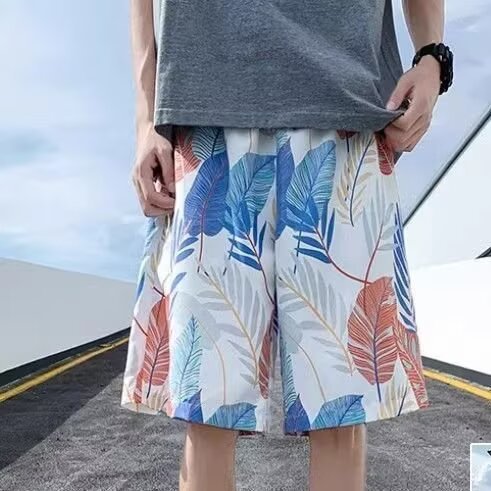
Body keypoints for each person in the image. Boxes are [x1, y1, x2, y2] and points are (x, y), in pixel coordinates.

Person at [121, 1, 453, 489]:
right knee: (207, 410)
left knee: (339, 415)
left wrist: (432, 57)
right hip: (206, 110)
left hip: (346, 109)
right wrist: (145, 117)